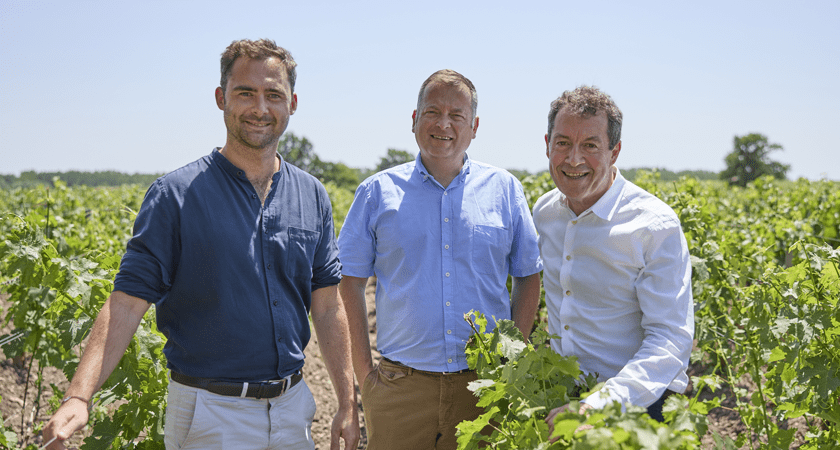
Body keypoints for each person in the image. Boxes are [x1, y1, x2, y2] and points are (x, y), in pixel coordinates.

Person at [42, 39, 360, 450]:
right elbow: (126, 303)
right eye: (245, 93)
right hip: (210, 414)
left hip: (292, 409)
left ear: (292, 103)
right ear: (221, 98)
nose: (260, 108)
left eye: (273, 95)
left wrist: (347, 402)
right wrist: (78, 396)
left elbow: (328, 305)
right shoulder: (175, 196)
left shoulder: (311, 194)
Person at [337, 69, 543, 449]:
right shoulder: (376, 192)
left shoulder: (504, 190)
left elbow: (528, 275)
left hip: (483, 388)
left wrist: (511, 362)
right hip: (400, 390)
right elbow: (349, 282)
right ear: (415, 119)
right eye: (432, 112)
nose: (443, 124)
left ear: (474, 127)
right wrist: (365, 376)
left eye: (456, 115)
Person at [534, 86, 694, 434]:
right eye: (563, 143)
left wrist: (598, 405)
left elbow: (670, 339)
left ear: (615, 151)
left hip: (639, 406)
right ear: (547, 144)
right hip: (563, 398)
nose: (573, 159)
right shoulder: (545, 213)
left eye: (590, 146)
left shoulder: (653, 225)